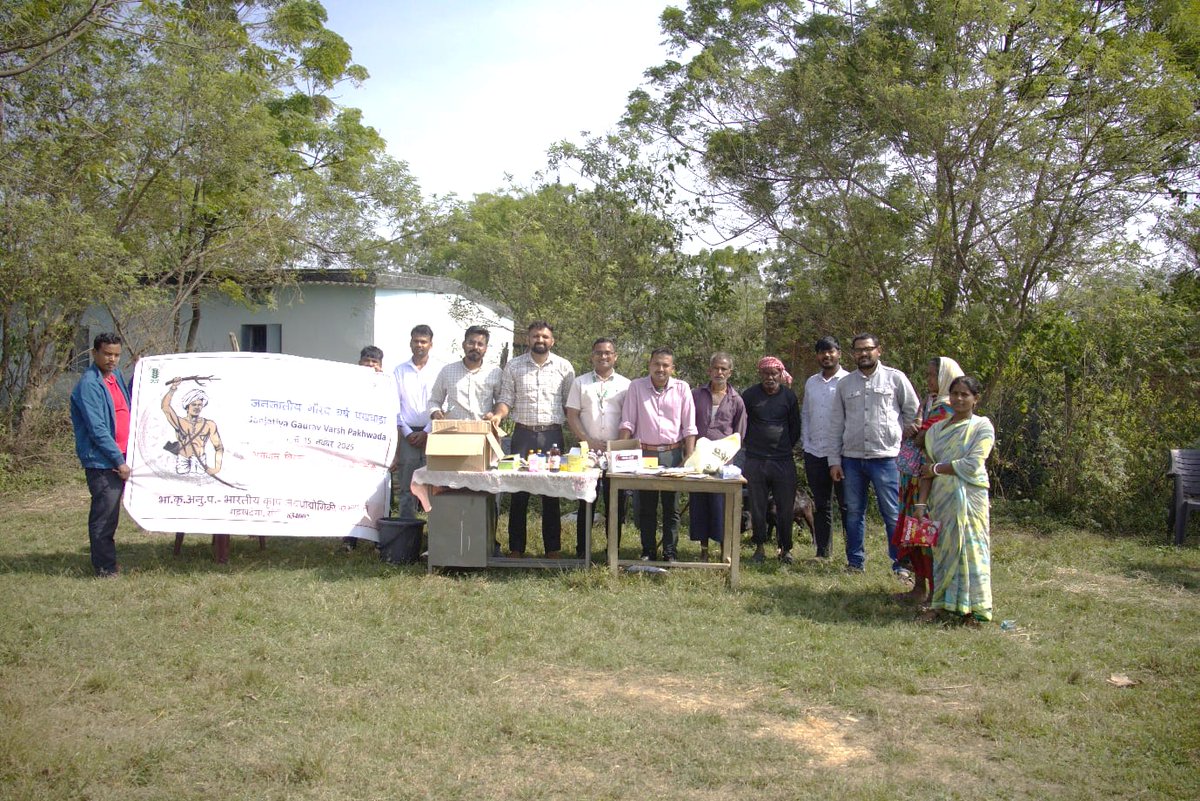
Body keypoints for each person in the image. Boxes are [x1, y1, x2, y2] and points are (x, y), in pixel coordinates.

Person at [828, 333, 919, 575]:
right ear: (853, 354)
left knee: (892, 513)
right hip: (852, 459)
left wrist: (906, 439)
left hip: (887, 458)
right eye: (858, 350)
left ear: (879, 350)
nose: (863, 354)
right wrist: (834, 461)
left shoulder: (895, 378)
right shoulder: (845, 385)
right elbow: (836, 423)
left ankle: (900, 564)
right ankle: (855, 563)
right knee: (854, 512)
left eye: (868, 349)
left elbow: (913, 413)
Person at [489, 321, 575, 558]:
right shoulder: (514, 366)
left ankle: (553, 549)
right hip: (523, 435)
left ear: (552, 341)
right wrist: (497, 415)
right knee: (518, 492)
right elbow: (506, 399)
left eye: (545, 337)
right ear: (528, 339)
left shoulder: (564, 367)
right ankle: (516, 548)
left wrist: (581, 432)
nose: (540, 340)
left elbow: (570, 405)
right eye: (536, 336)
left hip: (552, 436)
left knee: (551, 493)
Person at [918, 375, 995, 625]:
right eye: (955, 394)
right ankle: (941, 604)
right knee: (943, 552)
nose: (959, 399)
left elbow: (973, 464)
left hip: (970, 499)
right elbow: (925, 469)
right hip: (941, 500)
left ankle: (975, 610)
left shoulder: (981, 426)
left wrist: (938, 469)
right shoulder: (937, 430)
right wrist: (921, 504)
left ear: (976, 399)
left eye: (965, 395)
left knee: (972, 550)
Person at [893, 356, 963, 602]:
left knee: (929, 533)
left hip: (934, 479)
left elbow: (928, 439)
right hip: (914, 478)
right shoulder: (929, 401)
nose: (929, 380)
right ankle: (919, 587)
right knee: (914, 531)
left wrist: (919, 432)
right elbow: (917, 435)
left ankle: (935, 593)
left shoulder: (949, 407)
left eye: (933, 375)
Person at [618, 347, 697, 561]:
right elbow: (627, 422)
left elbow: (689, 427)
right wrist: (618, 455)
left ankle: (670, 551)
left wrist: (688, 458)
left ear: (672, 368)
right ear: (649, 365)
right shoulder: (636, 387)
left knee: (671, 507)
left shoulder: (682, 388)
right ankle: (648, 550)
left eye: (665, 365)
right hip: (646, 454)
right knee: (647, 506)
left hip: (673, 454)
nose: (660, 369)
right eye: (656, 364)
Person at [69, 333, 132, 577]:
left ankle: (107, 562)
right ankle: (104, 568)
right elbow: (97, 429)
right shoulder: (89, 385)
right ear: (95, 353)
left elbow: (127, 401)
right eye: (107, 354)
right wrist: (118, 460)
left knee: (112, 514)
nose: (112, 359)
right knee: (104, 516)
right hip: (104, 462)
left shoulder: (113, 376)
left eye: (116, 355)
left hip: (122, 457)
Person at [566, 337, 631, 559]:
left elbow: (630, 418)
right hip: (588, 451)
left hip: (616, 452)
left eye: (608, 353)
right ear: (592, 356)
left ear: (615, 356)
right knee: (586, 501)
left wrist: (619, 444)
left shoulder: (626, 384)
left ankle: (613, 550)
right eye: (599, 353)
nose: (603, 356)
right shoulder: (580, 382)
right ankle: (582, 550)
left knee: (616, 504)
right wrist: (587, 440)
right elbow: (572, 415)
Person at [742, 356, 802, 564]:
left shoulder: (789, 397)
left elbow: (795, 428)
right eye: (766, 374)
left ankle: (785, 549)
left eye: (774, 374)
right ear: (761, 374)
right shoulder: (750, 395)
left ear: (780, 375)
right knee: (756, 506)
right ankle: (759, 547)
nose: (770, 377)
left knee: (785, 507)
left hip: (783, 460)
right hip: (755, 460)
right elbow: (743, 424)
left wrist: (783, 447)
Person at [689, 352, 746, 561]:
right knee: (700, 503)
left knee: (721, 505)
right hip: (698, 460)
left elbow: (739, 433)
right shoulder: (696, 394)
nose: (719, 372)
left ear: (730, 372)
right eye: (716, 368)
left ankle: (724, 550)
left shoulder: (736, 400)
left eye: (724, 369)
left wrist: (727, 456)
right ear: (709, 370)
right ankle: (703, 550)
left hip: (723, 462)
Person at [801, 336, 849, 560]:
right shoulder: (811, 382)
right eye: (821, 352)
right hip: (815, 451)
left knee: (848, 505)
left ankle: (853, 554)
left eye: (830, 351)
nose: (826, 356)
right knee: (821, 504)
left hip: (843, 453)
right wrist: (806, 442)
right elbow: (806, 414)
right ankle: (823, 551)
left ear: (839, 353)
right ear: (817, 356)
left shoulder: (849, 381)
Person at [392, 325, 443, 520]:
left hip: (434, 434)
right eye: (416, 341)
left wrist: (427, 432)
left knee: (436, 487)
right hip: (408, 435)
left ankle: (435, 536)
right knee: (406, 488)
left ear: (431, 344)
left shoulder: (440, 369)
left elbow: (442, 404)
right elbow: (395, 405)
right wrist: (407, 432)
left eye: (423, 341)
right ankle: (406, 531)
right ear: (410, 342)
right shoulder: (399, 371)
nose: (419, 345)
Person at [342, 345, 386, 551]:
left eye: (374, 362)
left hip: (378, 449)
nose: (370, 365)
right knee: (351, 492)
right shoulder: (347, 384)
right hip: (354, 448)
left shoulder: (388, 387)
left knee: (379, 495)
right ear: (359, 363)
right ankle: (349, 539)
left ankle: (379, 539)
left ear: (381, 366)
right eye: (366, 361)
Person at [428, 326, 502, 423]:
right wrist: (435, 412)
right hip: (454, 432)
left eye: (480, 344)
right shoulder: (447, 371)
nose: (475, 347)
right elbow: (434, 400)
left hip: (483, 430)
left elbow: (502, 401)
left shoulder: (495, 372)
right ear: (463, 344)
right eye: (471, 343)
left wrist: (494, 414)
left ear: (486, 348)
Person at [161, 379, 225, 477]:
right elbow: (165, 407)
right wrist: (173, 388)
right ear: (187, 406)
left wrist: (217, 468)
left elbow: (219, 447)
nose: (197, 407)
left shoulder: (209, 424)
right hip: (183, 459)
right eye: (194, 404)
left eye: (200, 405)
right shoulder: (180, 422)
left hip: (200, 460)